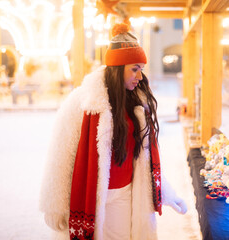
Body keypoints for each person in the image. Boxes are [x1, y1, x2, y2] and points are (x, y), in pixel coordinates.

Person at [39, 23, 187, 240]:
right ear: (118, 67)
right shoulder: (83, 102)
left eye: (141, 69)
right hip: (93, 196)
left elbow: (145, 158)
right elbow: (61, 155)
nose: (139, 76)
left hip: (127, 196)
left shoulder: (137, 104)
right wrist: (54, 204)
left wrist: (166, 192)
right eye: (134, 69)